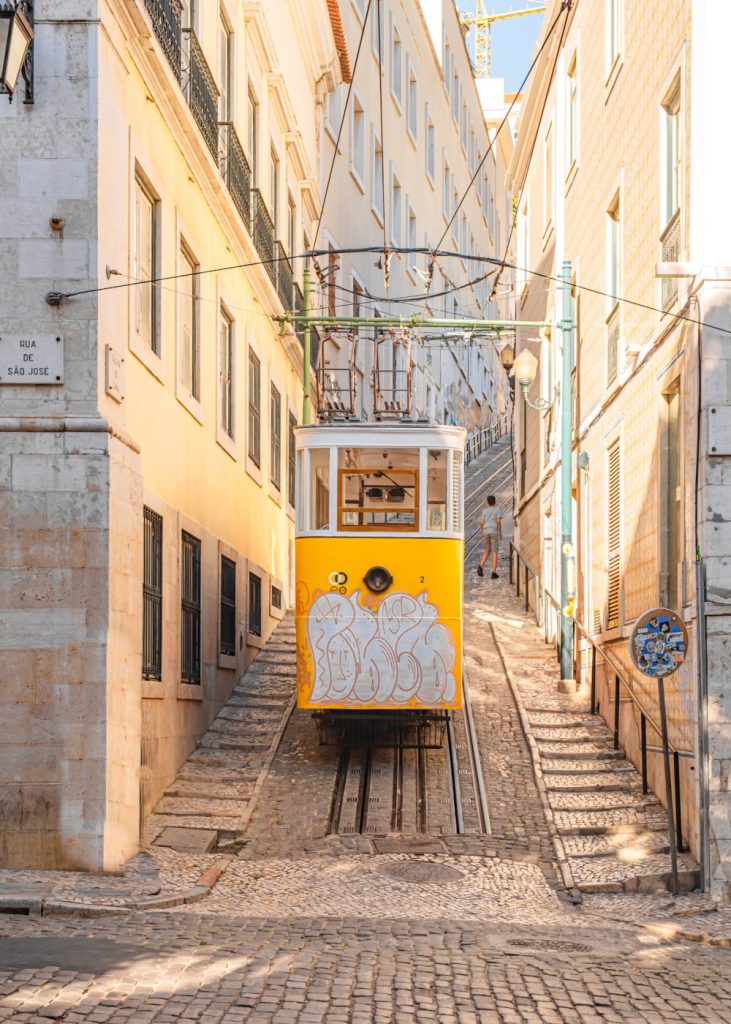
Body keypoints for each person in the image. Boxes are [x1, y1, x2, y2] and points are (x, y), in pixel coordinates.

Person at [478, 495, 501, 579]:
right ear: (495, 502)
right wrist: (500, 532)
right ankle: (493, 572)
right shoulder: (497, 510)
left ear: (488, 502)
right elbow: (498, 521)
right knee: (495, 551)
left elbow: (481, 522)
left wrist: (482, 530)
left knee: (487, 550)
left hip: (485, 531)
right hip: (494, 531)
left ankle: (480, 566)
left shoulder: (484, 511)